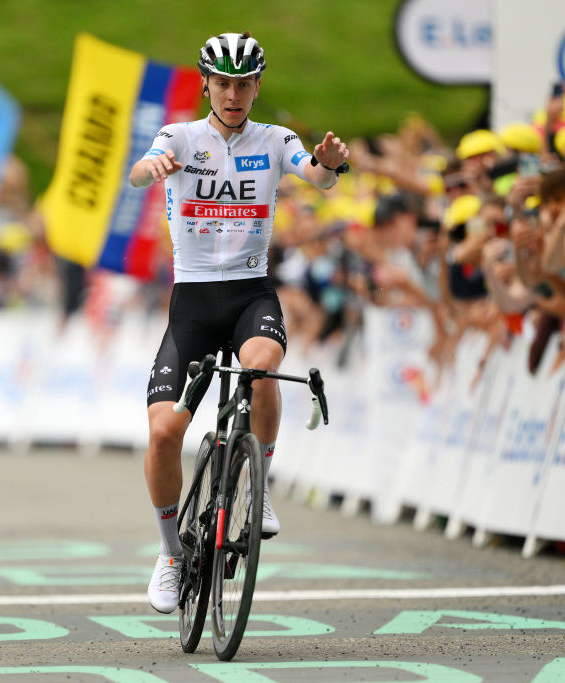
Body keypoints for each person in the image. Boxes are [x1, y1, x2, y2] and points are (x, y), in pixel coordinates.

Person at [128, 32, 349, 614]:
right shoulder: (180, 136)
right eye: (222, 83)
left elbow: (317, 175)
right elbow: (136, 174)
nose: (233, 93)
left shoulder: (275, 140)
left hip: (252, 294)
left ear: (257, 86)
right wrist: (150, 168)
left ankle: (259, 491)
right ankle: (172, 553)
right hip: (194, 303)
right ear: (207, 84)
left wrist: (327, 165)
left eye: (243, 83)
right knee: (162, 435)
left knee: (264, 369)